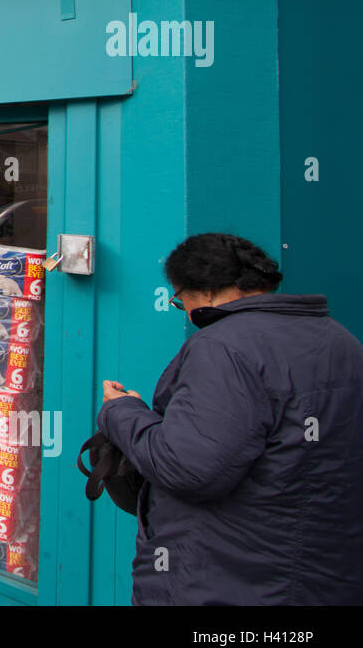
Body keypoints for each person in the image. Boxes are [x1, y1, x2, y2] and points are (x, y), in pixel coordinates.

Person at [98, 233, 363, 605]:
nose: (186, 313)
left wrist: (121, 412)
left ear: (204, 293)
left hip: (225, 578)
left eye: (181, 301)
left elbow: (189, 470)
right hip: (324, 575)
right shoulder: (342, 340)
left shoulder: (222, 347)